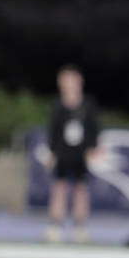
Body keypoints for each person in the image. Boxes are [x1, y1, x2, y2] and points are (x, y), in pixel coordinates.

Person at [45, 64, 99, 243]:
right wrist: (51, 153)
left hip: (81, 154)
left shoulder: (87, 105)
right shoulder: (57, 106)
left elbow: (93, 129)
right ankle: (55, 226)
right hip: (62, 153)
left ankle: (80, 227)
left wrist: (93, 148)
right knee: (59, 188)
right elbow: (52, 131)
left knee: (81, 189)